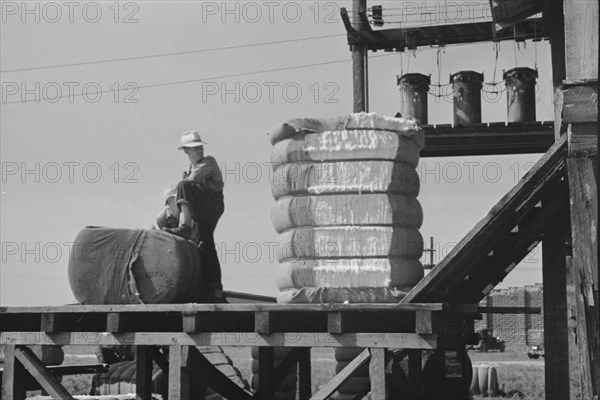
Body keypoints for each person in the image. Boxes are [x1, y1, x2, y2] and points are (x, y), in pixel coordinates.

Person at [163, 130, 226, 303]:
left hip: (210, 206)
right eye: (195, 148)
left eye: (199, 147)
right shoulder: (189, 170)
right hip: (200, 209)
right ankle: (213, 289)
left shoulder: (208, 163)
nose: (199, 150)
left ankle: (185, 225)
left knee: (183, 184)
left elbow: (189, 183)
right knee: (204, 242)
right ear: (186, 151)